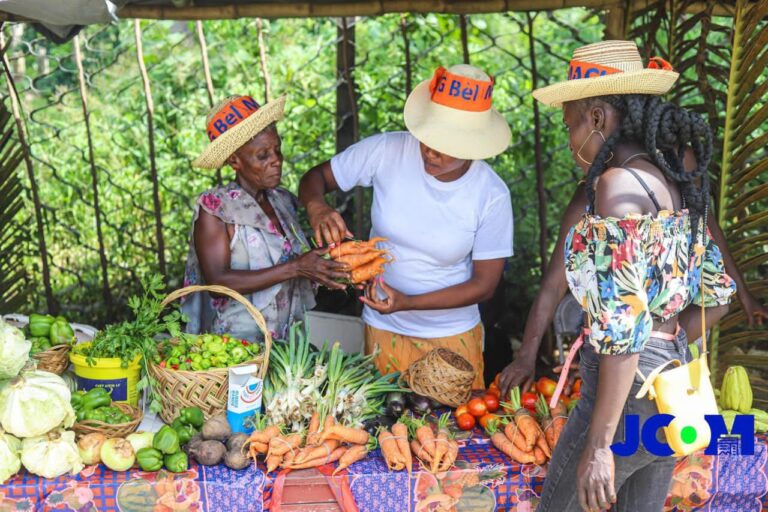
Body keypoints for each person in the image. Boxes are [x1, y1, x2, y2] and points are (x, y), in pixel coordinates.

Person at [527, 41, 737, 512]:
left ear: (597, 117)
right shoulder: (673, 183)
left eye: (570, 124)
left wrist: (599, 445)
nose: (568, 140)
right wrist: (669, 341)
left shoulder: (615, 187)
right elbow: (718, 294)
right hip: (670, 386)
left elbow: (622, 333)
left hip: (622, 396)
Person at [299, 64, 514, 388]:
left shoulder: (490, 194)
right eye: (427, 136)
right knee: (384, 432)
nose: (429, 150)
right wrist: (317, 207)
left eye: (444, 145)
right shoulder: (387, 151)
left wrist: (407, 303)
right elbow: (315, 178)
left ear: (472, 144)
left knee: (450, 436)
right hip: (383, 333)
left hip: (452, 342)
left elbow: (484, 286)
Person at [498, 182, 768, 397]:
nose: (570, 143)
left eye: (572, 128)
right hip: (658, 361)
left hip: (648, 364)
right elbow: (718, 300)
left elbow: (554, 284)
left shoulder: (607, 195)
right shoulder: (672, 194)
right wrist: (526, 356)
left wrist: (626, 359)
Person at [181, 94, 350, 343]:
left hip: (288, 341)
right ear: (234, 160)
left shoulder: (282, 201)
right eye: (263, 155)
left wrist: (331, 262)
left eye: (277, 150)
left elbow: (300, 258)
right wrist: (296, 268)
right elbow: (218, 279)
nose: (276, 161)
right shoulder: (216, 209)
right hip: (237, 345)